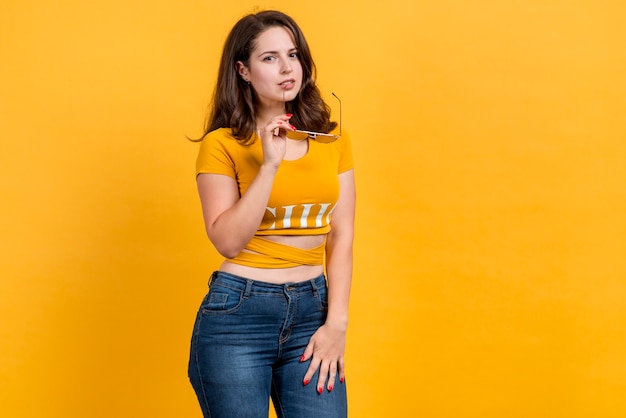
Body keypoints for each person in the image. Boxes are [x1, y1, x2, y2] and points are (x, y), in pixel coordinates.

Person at [187, 10, 356, 418]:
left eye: (293, 55)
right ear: (243, 70)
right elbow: (227, 240)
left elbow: (342, 233)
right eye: (269, 58)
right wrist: (269, 165)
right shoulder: (222, 144)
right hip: (238, 316)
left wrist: (337, 324)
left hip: (312, 313)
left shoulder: (333, 138)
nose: (287, 68)